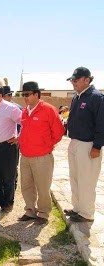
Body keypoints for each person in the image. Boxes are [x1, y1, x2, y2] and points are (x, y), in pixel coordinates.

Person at [16, 82, 64, 225]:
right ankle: (30, 210)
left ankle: (43, 213)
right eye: (23, 94)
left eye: (27, 94)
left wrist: (46, 145)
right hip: (25, 156)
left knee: (43, 186)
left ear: (36, 94)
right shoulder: (25, 111)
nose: (24, 97)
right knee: (26, 186)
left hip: (42, 156)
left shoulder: (49, 110)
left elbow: (59, 132)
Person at [65, 67, 104, 223]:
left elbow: (102, 124)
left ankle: (87, 213)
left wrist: (97, 146)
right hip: (74, 142)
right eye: (72, 80)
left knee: (86, 180)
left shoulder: (97, 98)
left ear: (87, 80)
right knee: (74, 177)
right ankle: (77, 208)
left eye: (76, 80)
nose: (73, 83)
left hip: (88, 145)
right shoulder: (77, 97)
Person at [2, 84, 23, 191]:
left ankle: (12, 189)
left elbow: (23, 124)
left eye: (3, 96)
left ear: (9, 96)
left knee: (12, 167)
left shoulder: (16, 108)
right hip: (2, 143)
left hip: (13, 142)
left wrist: (18, 138)